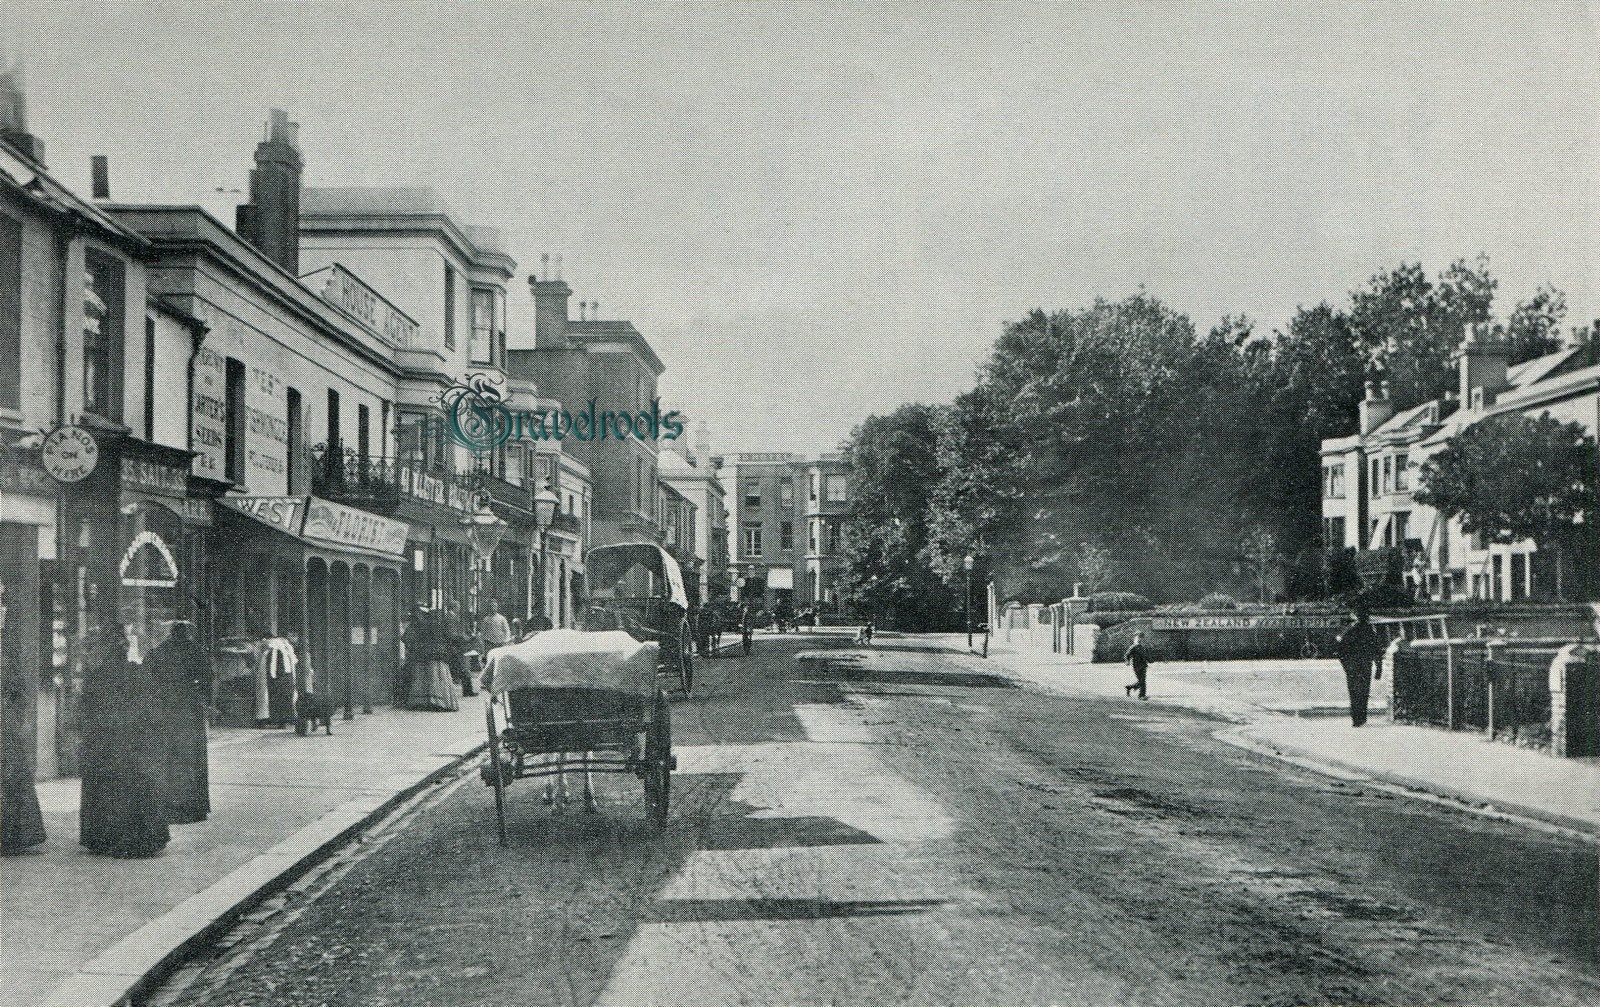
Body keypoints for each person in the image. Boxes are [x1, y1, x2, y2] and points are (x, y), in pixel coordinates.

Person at [79, 626, 170, 858]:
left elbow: (86, 713)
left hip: (106, 744)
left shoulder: (97, 677)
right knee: (134, 788)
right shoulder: (139, 674)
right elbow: (153, 711)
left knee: (107, 790)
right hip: (134, 743)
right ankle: (138, 838)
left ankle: (103, 838)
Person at [146, 621, 213, 824]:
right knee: (191, 756)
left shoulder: (157, 652)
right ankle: (192, 806)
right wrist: (205, 699)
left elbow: (147, 680)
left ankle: (168, 805)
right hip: (189, 709)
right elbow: (208, 678)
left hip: (165, 709)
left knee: (167, 756)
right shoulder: (195, 651)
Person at [1336, 608, 1384, 727]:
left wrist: (1346, 665)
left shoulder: (1349, 630)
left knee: (1354, 691)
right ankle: (1361, 717)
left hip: (1353, 665)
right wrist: (1379, 668)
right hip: (1365, 664)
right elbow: (1377, 650)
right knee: (1364, 691)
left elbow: (1339, 648)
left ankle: (1356, 718)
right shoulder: (1370, 631)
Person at [405, 608, 459, 712]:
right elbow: (447, 638)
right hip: (438, 655)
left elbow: (407, 639)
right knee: (438, 677)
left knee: (425, 678)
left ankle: (423, 701)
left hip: (425, 655)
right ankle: (440, 701)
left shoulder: (420, 625)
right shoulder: (437, 624)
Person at [474, 600, 511, 695]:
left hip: (499, 643)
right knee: (488, 661)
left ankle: (498, 680)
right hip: (489, 643)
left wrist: (506, 641)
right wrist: (482, 644)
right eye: (491, 606)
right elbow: (483, 632)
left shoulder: (502, 619)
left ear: (497, 607)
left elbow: (506, 631)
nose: (493, 608)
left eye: (495, 606)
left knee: (498, 661)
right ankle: (488, 681)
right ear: (489, 607)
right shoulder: (486, 619)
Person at [1124, 633, 1151, 700]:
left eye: (1141, 638)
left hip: (1143, 665)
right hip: (1137, 666)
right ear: (1135, 639)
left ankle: (1130, 687)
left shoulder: (1142, 647)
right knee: (1142, 681)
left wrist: (1150, 660)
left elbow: (1145, 656)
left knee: (1141, 680)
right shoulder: (1133, 647)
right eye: (1138, 638)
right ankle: (1141, 696)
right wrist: (1127, 661)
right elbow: (1127, 655)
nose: (1140, 639)